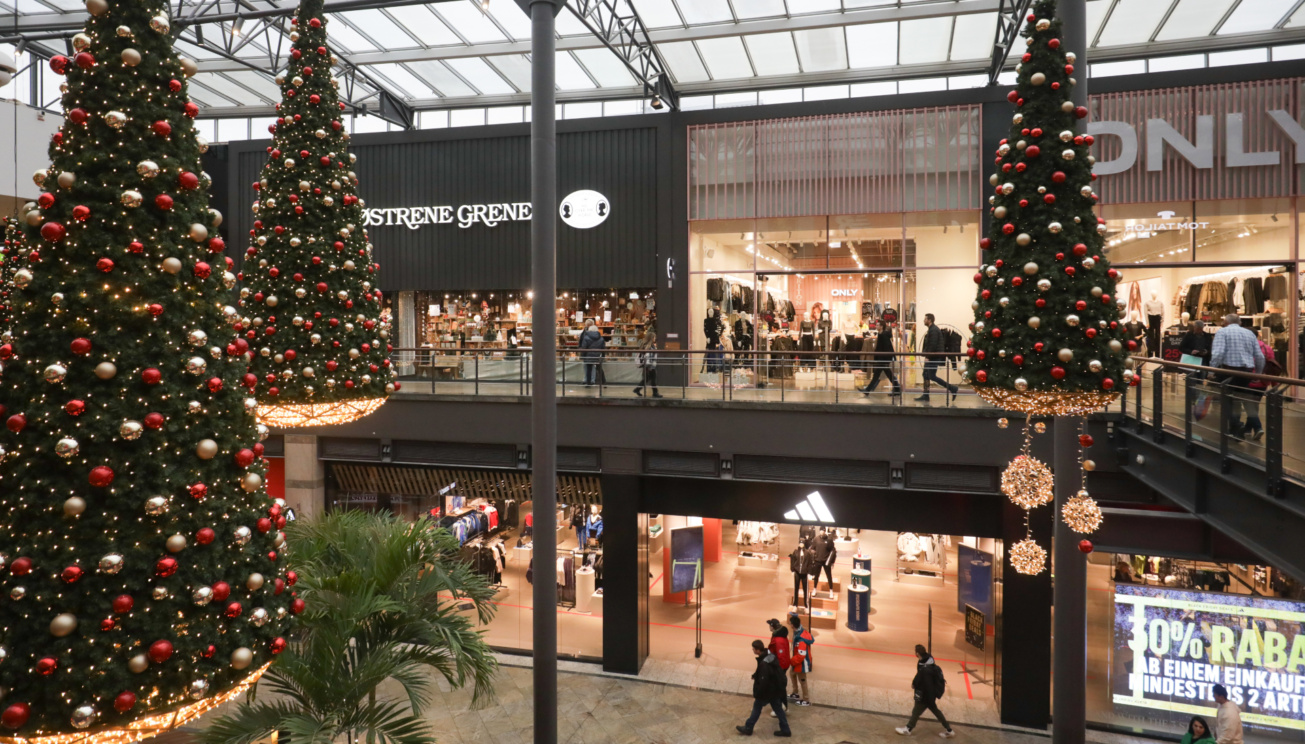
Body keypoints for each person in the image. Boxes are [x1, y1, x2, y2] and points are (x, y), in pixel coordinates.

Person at [1209, 314, 1264, 439]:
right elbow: (1260, 356)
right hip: (1246, 372)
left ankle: (1236, 425)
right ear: (1239, 322)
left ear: (1225, 322)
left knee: (1227, 400)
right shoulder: (1249, 334)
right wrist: (1258, 373)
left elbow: (1218, 353)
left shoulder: (1222, 332)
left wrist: (1211, 371)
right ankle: (1235, 431)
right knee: (1238, 399)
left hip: (1228, 371)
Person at [896, 644, 955, 738]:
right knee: (935, 712)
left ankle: (908, 729)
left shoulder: (925, 669)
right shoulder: (926, 661)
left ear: (917, 653)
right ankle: (949, 730)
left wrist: (918, 689)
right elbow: (919, 675)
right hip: (929, 695)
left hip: (926, 695)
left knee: (916, 711)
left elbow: (926, 683)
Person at [737, 639, 791, 737]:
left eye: (753, 649)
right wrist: (756, 674)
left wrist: (758, 693)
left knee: (757, 707)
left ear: (758, 650)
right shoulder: (770, 656)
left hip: (767, 691)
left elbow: (764, 680)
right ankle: (786, 729)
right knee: (778, 710)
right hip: (775, 689)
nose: (753, 650)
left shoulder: (764, 664)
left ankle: (748, 728)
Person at [917, 314, 957, 405]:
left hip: (933, 357)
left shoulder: (933, 330)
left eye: (925, 319)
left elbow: (933, 345)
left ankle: (952, 388)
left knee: (931, 376)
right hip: (933, 357)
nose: (924, 320)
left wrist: (928, 357)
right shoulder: (932, 329)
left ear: (929, 320)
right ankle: (926, 395)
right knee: (926, 374)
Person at [1242, 337, 1276, 441]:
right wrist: (1274, 384)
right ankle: (1247, 429)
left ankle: (1258, 428)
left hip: (1249, 381)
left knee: (1249, 406)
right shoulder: (1267, 348)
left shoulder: (1246, 347)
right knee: (1254, 406)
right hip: (1263, 382)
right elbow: (1272, 366)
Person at [859, 320, 901, 399]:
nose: (876, 326)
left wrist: (881, 358)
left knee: (878, 375)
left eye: (877, 325)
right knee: (887, 374)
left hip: (883, 359)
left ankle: (867, 390)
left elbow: (885, 348)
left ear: (881, 326)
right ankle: (897, 389)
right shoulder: (881, 334)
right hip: (883, 359)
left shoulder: (883, 335)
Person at [766, 619, 792, 718]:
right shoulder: (780, 636)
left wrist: (777, 669)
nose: (769, 627)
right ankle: (783, 706)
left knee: (778, 688)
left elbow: (780, 656)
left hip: (779, 667)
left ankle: (780, 708)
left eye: (769, 625)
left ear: (773, 626)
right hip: (780, 666)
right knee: (779, 687)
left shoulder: (778, 640)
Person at [787, 613, 813, 707]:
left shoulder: (801, 639)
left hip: (801, 663)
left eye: (790, 623)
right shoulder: (798, 632)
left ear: (792, 625)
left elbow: (801, 655)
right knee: (792, 674)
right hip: (796, 661)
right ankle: (795, 693)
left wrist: (792, 661)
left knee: (802, 680)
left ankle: (806, 699)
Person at [633, 330, 662, 398]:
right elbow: (649, 357)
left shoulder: (647, 346)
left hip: (648, 365)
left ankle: (637, 389)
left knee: (647, 379)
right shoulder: (650, 347)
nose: (655, 339)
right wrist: (649, 366)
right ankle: (655, 393)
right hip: (650, 366)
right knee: (653, 379)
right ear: (651, 338)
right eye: (654, 337)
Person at [578, 319, 605, 386]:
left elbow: (583, 347)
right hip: (597, 356)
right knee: (598, 368)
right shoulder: (601, 338)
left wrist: (582, 355)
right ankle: (603, 382)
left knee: (588, 368)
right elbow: (603, 348)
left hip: (588, 355)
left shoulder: (586, 336)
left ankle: (588, 382)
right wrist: (603, 356)